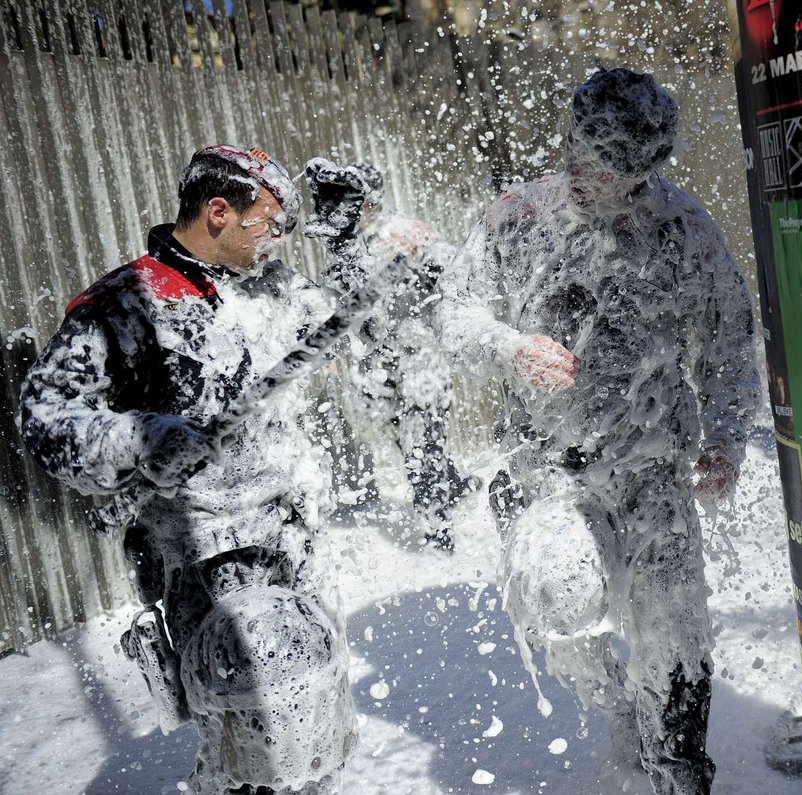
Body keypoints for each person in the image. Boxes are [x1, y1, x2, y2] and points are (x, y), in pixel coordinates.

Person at [438, 68, 759, 794]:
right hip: (550, 470)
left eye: (607, 170)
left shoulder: (683, 230)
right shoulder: (514, 219)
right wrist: (510, 348)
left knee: (674, 629)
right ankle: (617, 709)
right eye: (578, 153)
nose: (586, 176)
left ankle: (680, 765)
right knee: (560, 592)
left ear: (643, 174)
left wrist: (725, 440)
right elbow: (452, 316)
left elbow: (731, 340)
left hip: (653, 466)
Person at [19, 146, 357, 794]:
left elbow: (342, 325)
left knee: (314, 731)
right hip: (201, 561)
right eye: (270, 222)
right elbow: (44, 417)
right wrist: (140, 436)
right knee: (253, 744)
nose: (279, 240)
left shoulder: (272, 286)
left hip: (291, 542)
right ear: (220, 211)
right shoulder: (126, 305)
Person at [340, 162, 478, 550]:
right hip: (383, 364)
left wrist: (428, 286)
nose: (356, 209)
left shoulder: (404, 233)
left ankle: (438, 533)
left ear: (374, 200)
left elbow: (455, 268)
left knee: (420, 444)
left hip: (421, 360)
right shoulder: (348, 246)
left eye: (361, 200)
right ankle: (450, 484)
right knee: (410, 443)